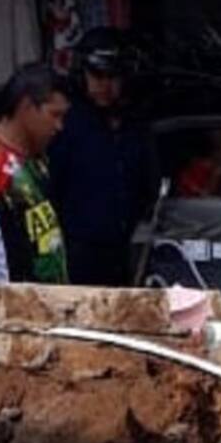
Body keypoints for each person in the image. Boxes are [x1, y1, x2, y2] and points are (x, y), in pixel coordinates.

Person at [48, 28, 160, 286]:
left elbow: (149, 182)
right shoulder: (67, 123)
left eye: (112, 77)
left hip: (126, 248)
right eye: (96, 76)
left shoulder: (135, 124)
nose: (104, 86)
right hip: (78, 251)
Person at [0, 63, 71, 285]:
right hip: (14, 305)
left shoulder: (36, 155)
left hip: (51, 301)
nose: (60, 126)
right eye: (54, 115)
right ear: (27, 107)